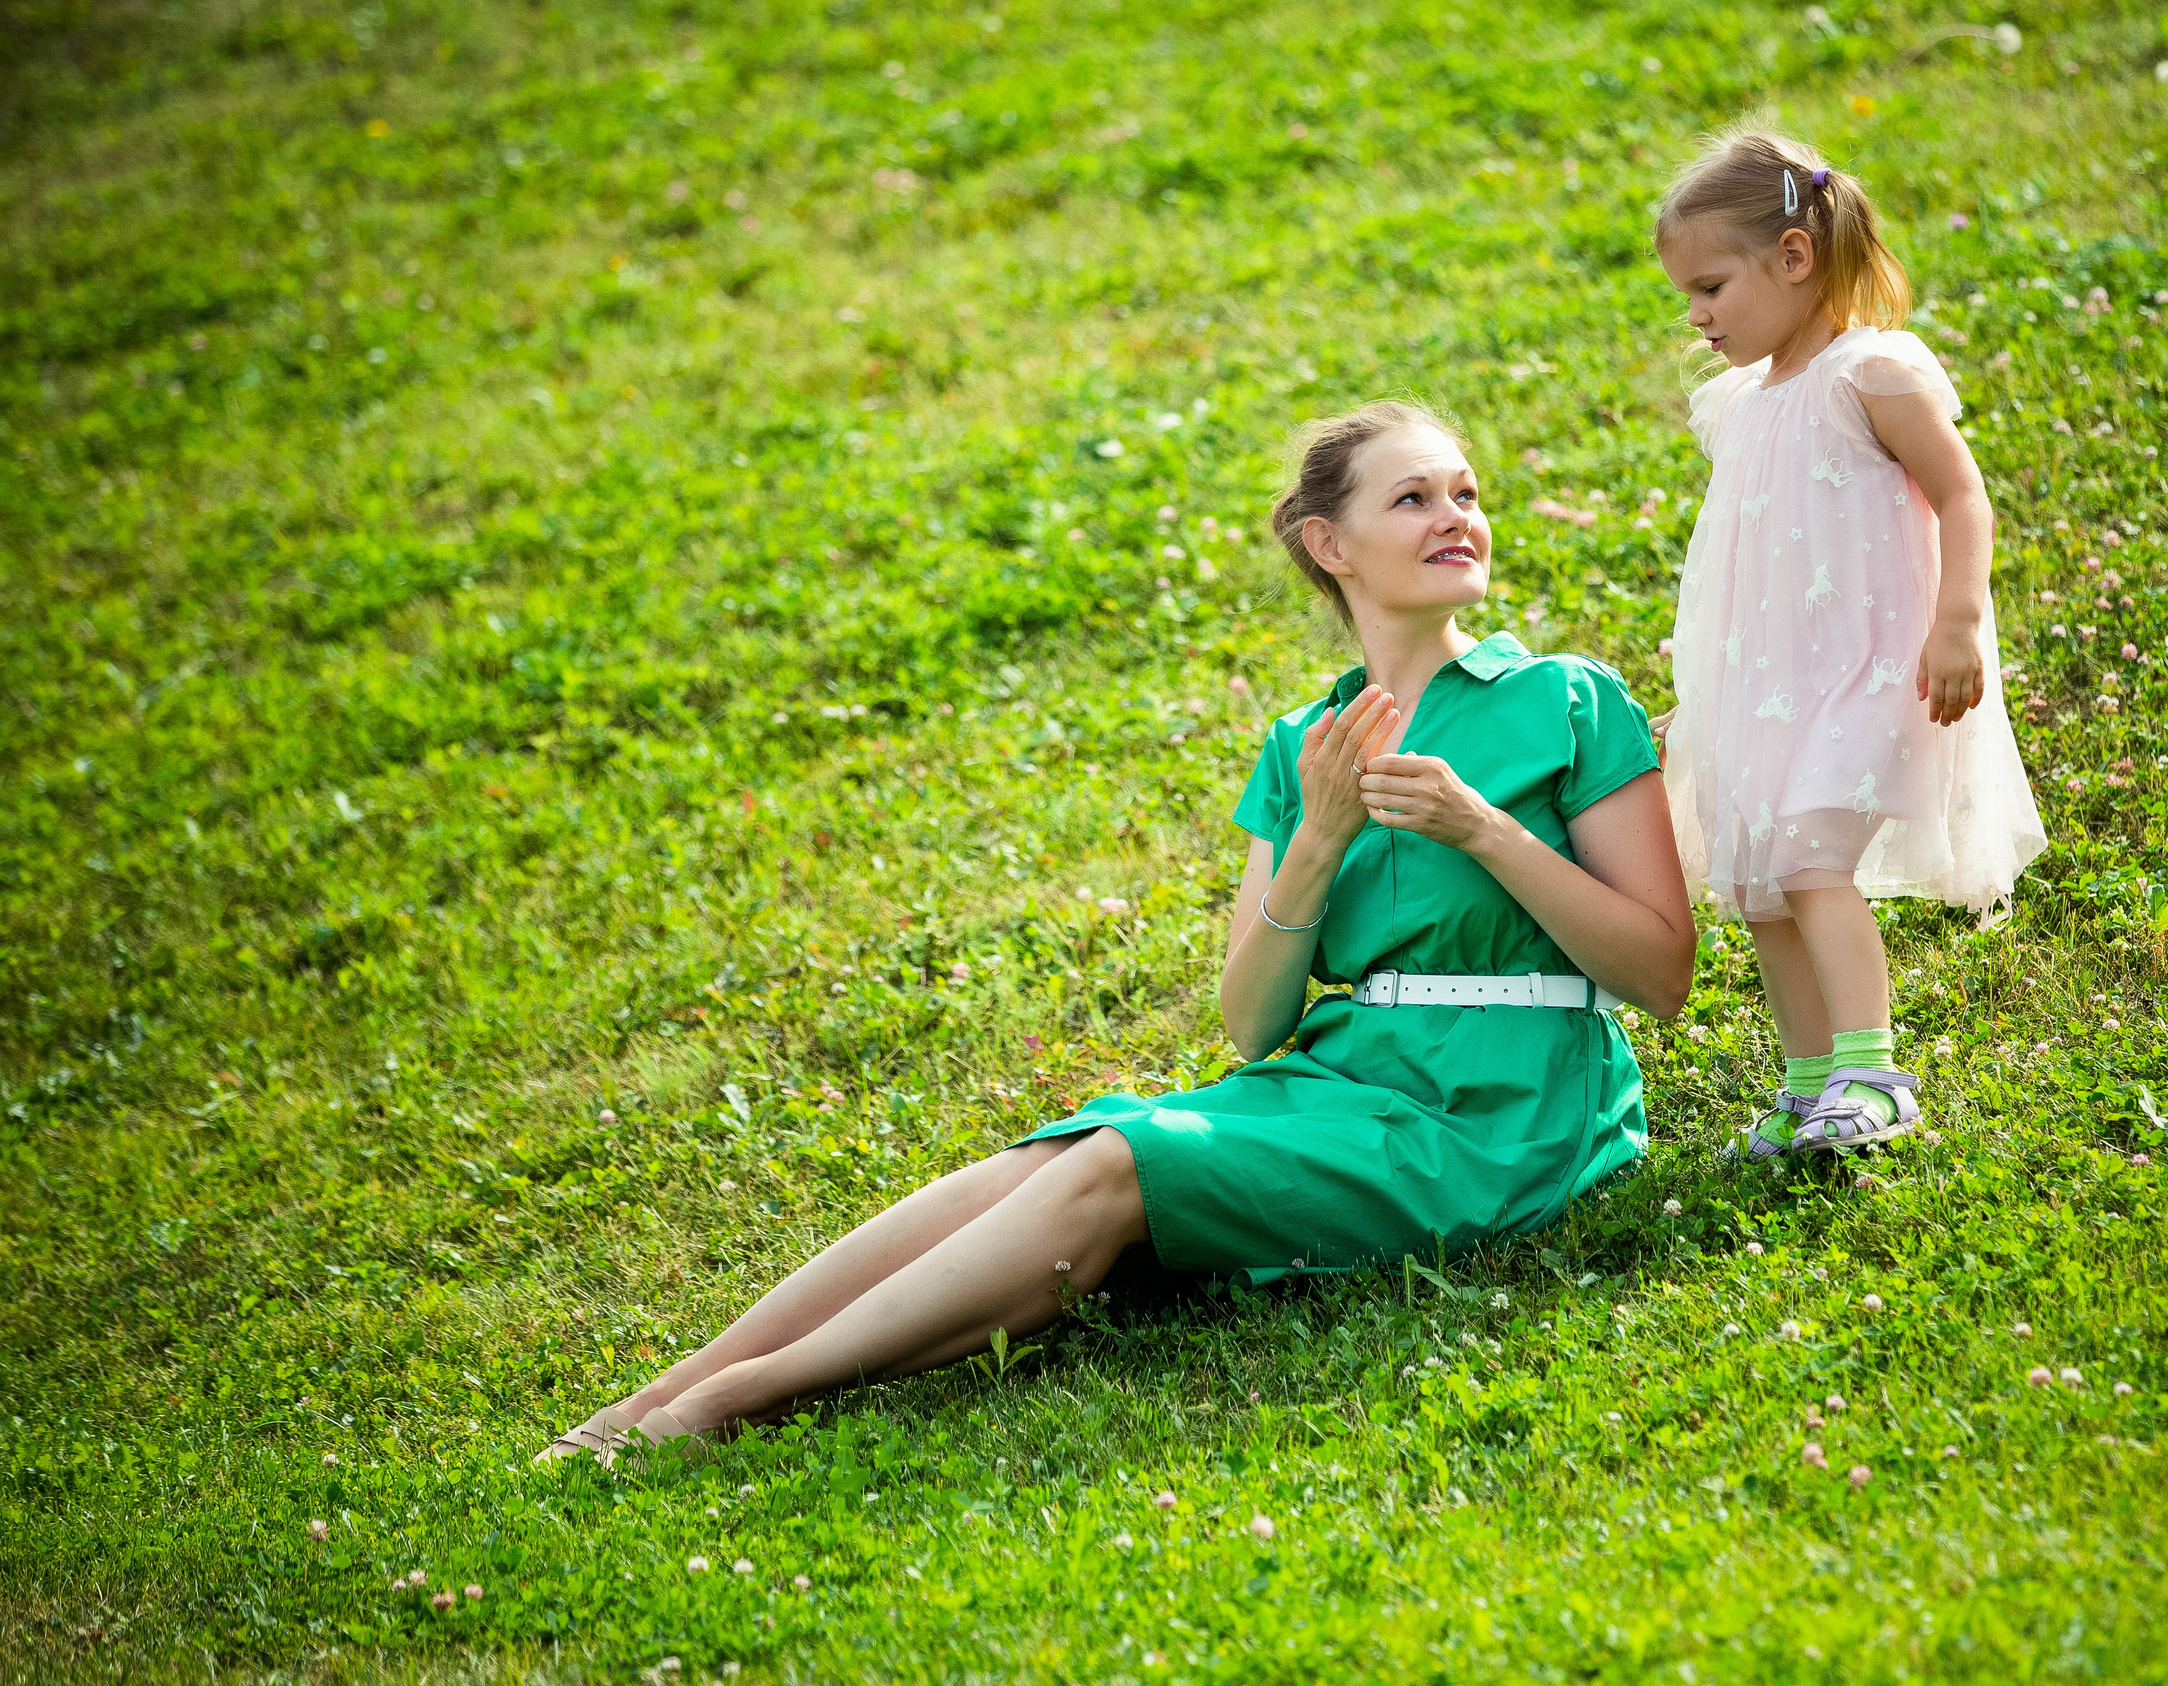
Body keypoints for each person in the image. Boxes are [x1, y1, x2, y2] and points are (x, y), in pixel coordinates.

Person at [539, 399, 1694, 1464]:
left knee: (1112, 1160)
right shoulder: (1303, 740)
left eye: (1466, 492)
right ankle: (650, 1397)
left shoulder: (1567, 699)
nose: (1458, 517)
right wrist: (1317, 838)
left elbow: (1659, 969)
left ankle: (733, 1402)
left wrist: (1482, 827)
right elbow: (1252, 1023)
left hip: (1510, 1117)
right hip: (1345, 1079)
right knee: (1046, 1154)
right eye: (1414, 497)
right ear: (1331, 549)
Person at [1649, 129, 2045, 1160]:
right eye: (1686, 295)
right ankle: (1807, 1085)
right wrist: (1707, 690)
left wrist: (1958, 617)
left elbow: (1961, 492)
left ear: (1792, 255)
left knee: (1812, 863)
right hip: (1767, 684)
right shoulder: (1744, 403)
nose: (1696, 315)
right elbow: (1742, 562)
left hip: (1870, 670)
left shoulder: (1869, 372)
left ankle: (1872, 1074)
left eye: (1710, 286)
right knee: (1760, 886)